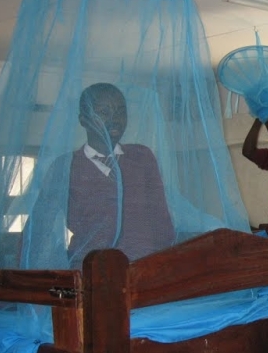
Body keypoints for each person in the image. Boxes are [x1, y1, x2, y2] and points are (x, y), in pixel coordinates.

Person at [22, 83, 175, 269]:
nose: (115, 119)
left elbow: (161, 220)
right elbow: (39, 225)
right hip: (91, 269)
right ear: (83, 120)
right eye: (104, 112)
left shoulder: (142, 157)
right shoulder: (64, 166)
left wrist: (166, 265)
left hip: (144, 268)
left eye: (121, 111)